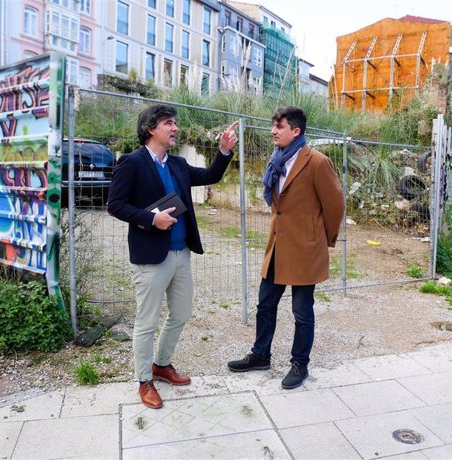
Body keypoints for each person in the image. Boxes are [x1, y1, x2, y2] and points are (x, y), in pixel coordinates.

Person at [107, 104, 237, 409]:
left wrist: (224, 151)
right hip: (151, 256)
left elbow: (210, 176)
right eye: (169, 123)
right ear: (151, 128)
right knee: (147, 321)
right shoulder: (132, 162)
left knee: (180, 313)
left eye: (175, 123)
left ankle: (162, 365)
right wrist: (151, 219)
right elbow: (115, 205)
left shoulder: (177, 164)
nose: (175, 128)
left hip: (181, 254)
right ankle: (144, 380)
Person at [227, 106, 344, 389]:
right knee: (265, 304)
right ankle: (260, 355)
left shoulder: (317, 162)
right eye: (273, 125)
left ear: (296, 131)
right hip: (278, 246)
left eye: (279, 126)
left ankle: (299, 364)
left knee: (302, 312)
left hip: (305, 250)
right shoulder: (277, 160)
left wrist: (320, 239)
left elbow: (335, 205)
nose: (273, 131)